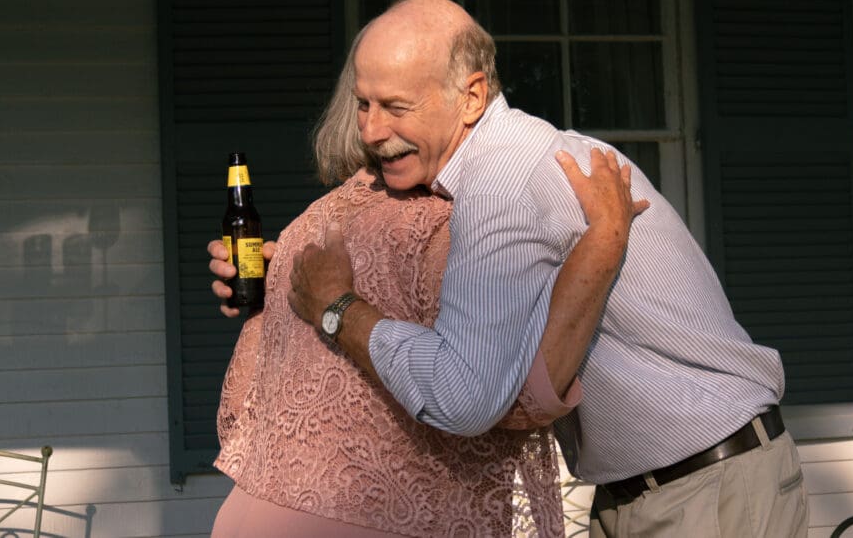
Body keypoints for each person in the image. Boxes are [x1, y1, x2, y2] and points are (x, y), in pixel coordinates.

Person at [286, 0, 808, 537]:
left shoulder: (503, 179)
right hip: (667, 491)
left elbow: (463, 396)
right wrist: (282, 272)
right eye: (363, 104)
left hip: (707, 493)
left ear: (470, 98)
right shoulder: (486, 170)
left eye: (395, 107)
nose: (370, 130)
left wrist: (338, 309)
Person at [209, 146, 642, 537]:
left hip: (250, 513)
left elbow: (238, 414)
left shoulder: (303, 228)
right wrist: (605, 238)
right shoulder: (454, 230)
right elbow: (508, 403)